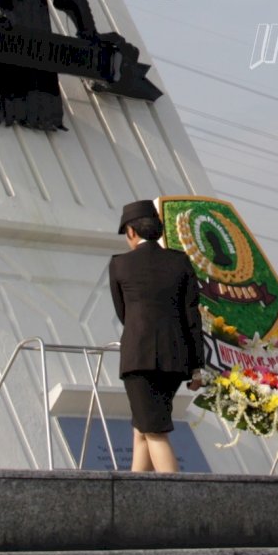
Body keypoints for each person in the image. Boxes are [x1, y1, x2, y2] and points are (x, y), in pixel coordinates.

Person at [108, 199, 202, 473]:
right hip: (175, 359)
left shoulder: (120, 264)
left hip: (139, 358)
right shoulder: (180, 261)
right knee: (142, 428)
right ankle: (135, 498)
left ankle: (176, 500)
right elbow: (192, 315)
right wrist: (196, 367)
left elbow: (123, 312)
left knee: (154, 433)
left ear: (131, 232)